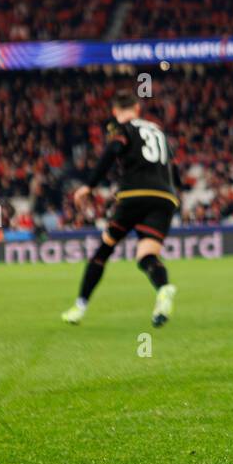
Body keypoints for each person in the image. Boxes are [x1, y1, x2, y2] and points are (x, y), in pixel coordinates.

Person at [62, 91, 180, 326]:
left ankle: (79, 307)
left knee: (103, 251)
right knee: (147, 256)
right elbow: (172, 166)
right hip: (165, 197)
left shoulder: (121, 128)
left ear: (115, 111)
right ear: (137, 108)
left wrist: (89, 186)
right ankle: (164, 288)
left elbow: (112, 152)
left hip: (134, 195)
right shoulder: (158, 130)